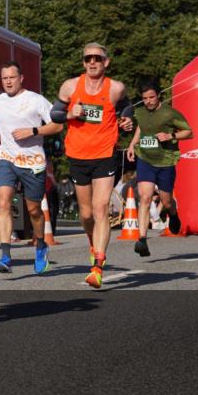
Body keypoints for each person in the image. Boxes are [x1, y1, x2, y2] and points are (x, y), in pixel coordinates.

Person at [49, 43, 134, 288]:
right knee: (86, 214)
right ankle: (91, 239)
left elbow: (127, 107)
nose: (92, 62)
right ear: (84, 63)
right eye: (88, 59)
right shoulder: (70, 86)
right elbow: (54, 115)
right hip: (77, 154)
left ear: (106, 62)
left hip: (106, 153)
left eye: (97, 58)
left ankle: (98, 265)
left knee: (101, 207)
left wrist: (127, 120)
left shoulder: (115, 88)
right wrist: (70, 114)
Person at [0, 61, 62, 274]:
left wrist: (33, 131)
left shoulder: (36, 100)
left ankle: (41, 246)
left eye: (12, 77)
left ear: (21, 78)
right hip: (7, 158)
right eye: (5, 78)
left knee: (34, 210)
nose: (8, 82)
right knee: (3, 202)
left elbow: (57, 125)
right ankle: (5, 256)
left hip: (32, 162)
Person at [124, 79, 194, 256]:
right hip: (145, 159)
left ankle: (173, 213)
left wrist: (170, 136)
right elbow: (141, 127)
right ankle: (142, 239)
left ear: (159, 96)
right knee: (145, 197)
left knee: (166, 200)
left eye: (151, 97)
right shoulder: (140, 111)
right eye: (145, 98)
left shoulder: (170, 113)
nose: (148, 101)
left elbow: (189, 132)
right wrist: (132, 144)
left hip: (165, 161)